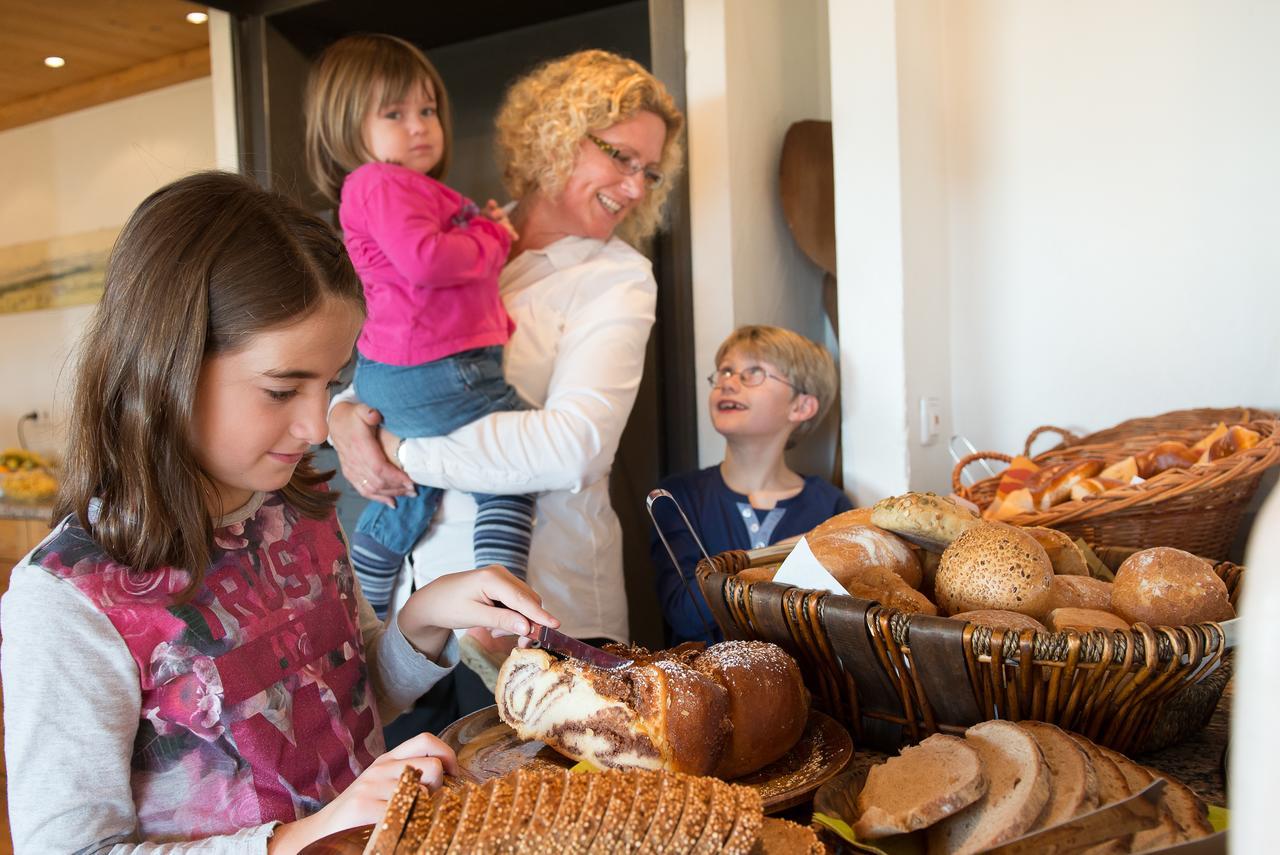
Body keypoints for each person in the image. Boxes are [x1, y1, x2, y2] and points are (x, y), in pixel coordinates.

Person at [0, 171, 556, 854]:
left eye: (331, 384)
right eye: (282, 388)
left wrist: (426, 612)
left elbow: (351, 697)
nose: (317, 425)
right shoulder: (66, 598)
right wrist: (299, 837)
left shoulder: (298, 508)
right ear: (165, 366)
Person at [328, 50, 684, 694]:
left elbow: (574, 447)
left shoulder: (617, 278)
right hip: (409, 610)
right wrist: (343, 415)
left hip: (535, 621)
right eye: (620, 157)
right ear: (557, 135)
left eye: (650, 173)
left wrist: (406, 453)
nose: (635, 187)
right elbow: (399, 352)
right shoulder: (454, 229)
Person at [304, 33, 533, 617]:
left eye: (427, 110)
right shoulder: (380, 183)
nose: (419, 126)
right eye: (395, 113)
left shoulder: (397, 188)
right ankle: (498, 612)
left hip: (401, 370)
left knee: (411, 490)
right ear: (345, 127)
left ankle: (365, 611)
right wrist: (491, 236)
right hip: (438, 368)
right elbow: (428, 261)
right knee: (511, 470)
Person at [649, 325, 852, 645]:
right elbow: (685, 613)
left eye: (753, 373)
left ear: (801, 407)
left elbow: (840, 626)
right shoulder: (677, 498)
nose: (728, 382)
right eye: (726, 371)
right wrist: (781, 557)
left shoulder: (831, 508)